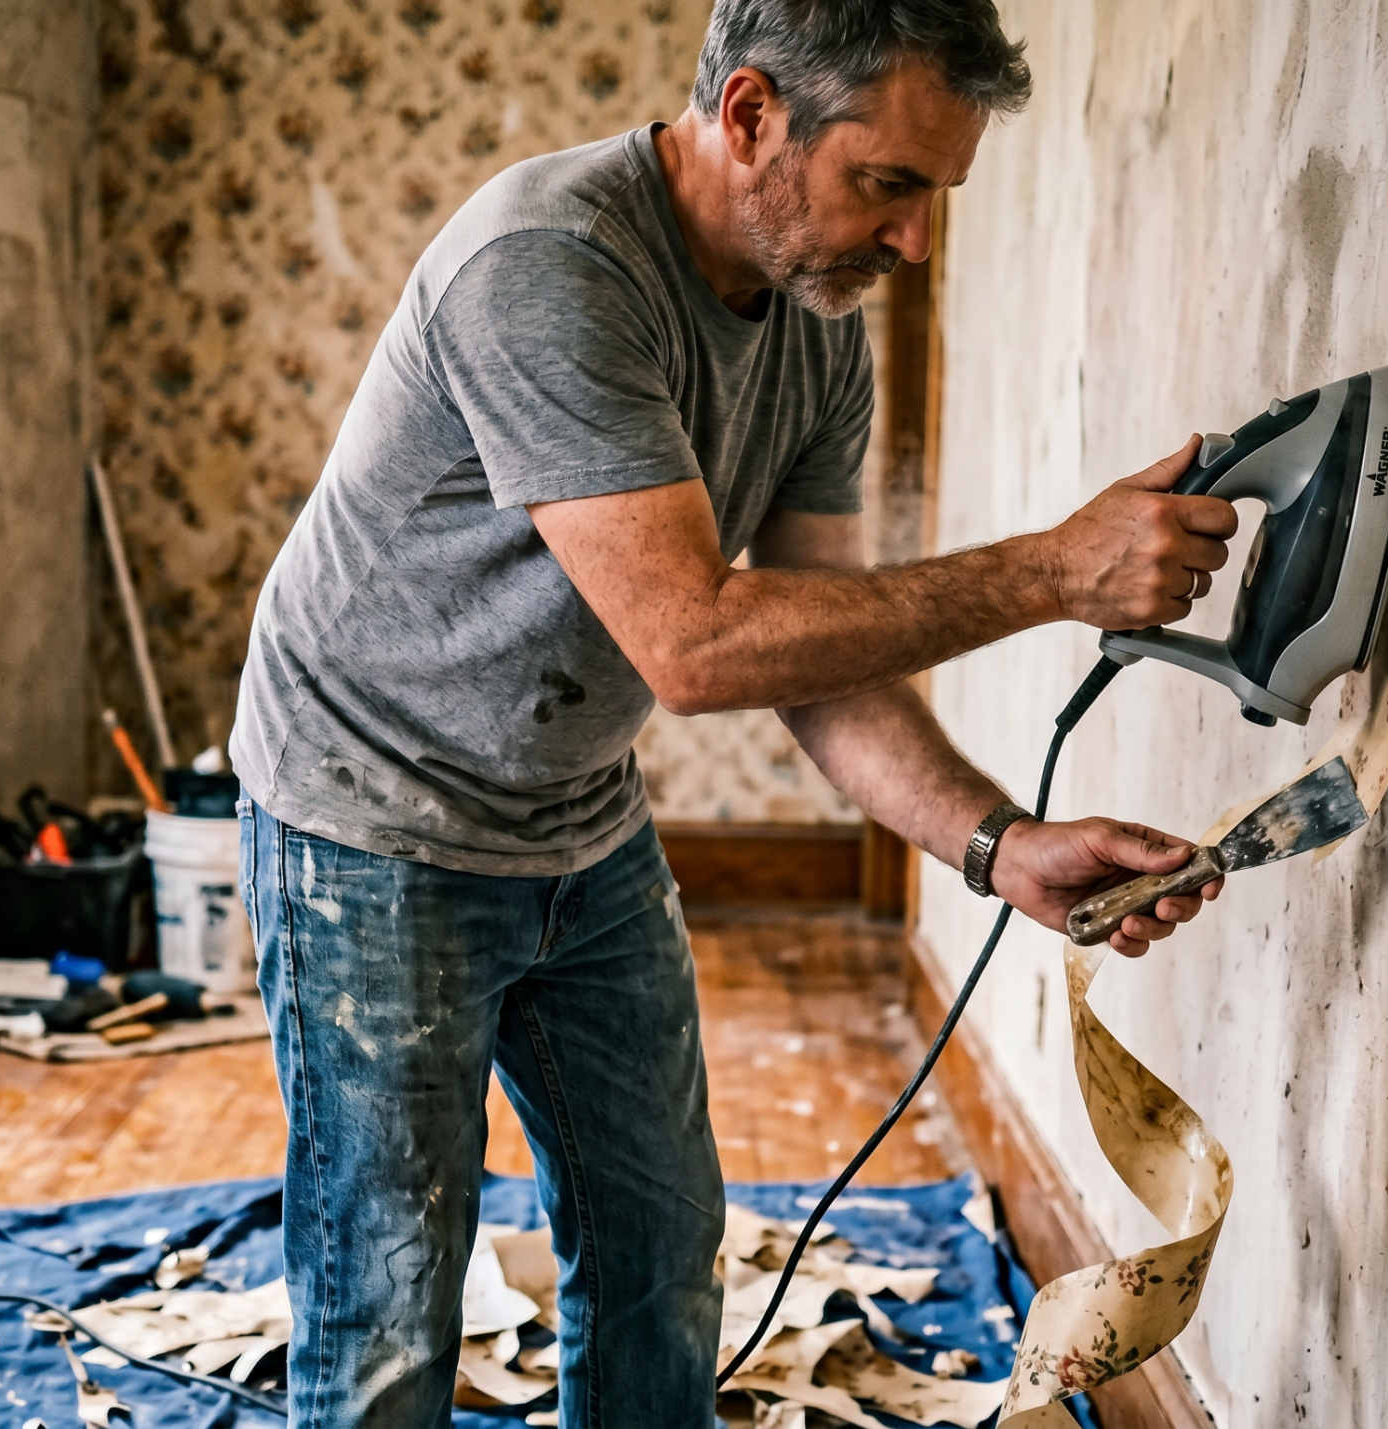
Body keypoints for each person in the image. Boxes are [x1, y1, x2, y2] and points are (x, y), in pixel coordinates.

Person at [229, 0, 1237, 1421]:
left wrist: (1000, 846)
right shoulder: (549, 266)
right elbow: (695, 643)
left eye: (936, 197)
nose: (914, 244)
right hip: (369, 816)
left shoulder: (815, 326)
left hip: (574, 815)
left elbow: (817, 656)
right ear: (752, 113)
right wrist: (1056, 571)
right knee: (390, 1296)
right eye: (887, 184)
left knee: (658, 1245)